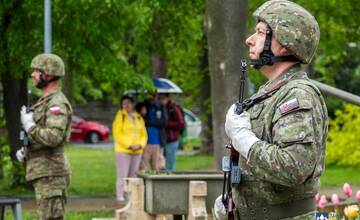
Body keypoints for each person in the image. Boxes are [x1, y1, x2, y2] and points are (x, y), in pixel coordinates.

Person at [216, 1, 328, 219]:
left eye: (259, 32)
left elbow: (294, 167)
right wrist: (236, 204)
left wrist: (244, 139)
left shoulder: (297, 95)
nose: (249, 39)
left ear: (285, 43)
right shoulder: (271, 92)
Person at [17, 53, 72, 220]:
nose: (33, 74)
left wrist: (30, 126)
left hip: (51, 174)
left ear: (47, 74)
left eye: (36, 71)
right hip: (45, 173)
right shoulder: (45, 101)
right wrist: (27, 149)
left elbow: (54, 137)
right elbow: (42, 136)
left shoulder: (56, 104)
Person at [112, 95, 147, 207]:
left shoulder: (138, 118)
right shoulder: (120, 116)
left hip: (137, 151)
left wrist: (140, 145)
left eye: (128, 103)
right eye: (124, 103)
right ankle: (120, 198)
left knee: (133, 176)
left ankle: (131, 197)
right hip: (123, 150)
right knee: (123, 175)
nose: (126, 105)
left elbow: (144, 134)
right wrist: (129, 145)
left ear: (133, 104)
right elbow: (117, 134)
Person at [139, 93, 168, 171]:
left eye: (154, 95)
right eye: (150, 95)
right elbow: (139, 122)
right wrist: (143, 115)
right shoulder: (142, 106)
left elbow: (163, 122)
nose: (152, 97)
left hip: (158, 142)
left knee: (157, 167)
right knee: (143, 166)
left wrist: (148, 122)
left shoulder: (161, 107)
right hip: (145, 142)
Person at [158, 93, 185, 172]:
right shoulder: (159, 108)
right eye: (159, 98)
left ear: (168, 98)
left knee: (170, 164)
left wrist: (167, 123)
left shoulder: (173, 107)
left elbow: (181, 123)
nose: (161, 100)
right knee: (161, 164)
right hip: (161, 139)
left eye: (163, 98)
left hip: (171, 139)